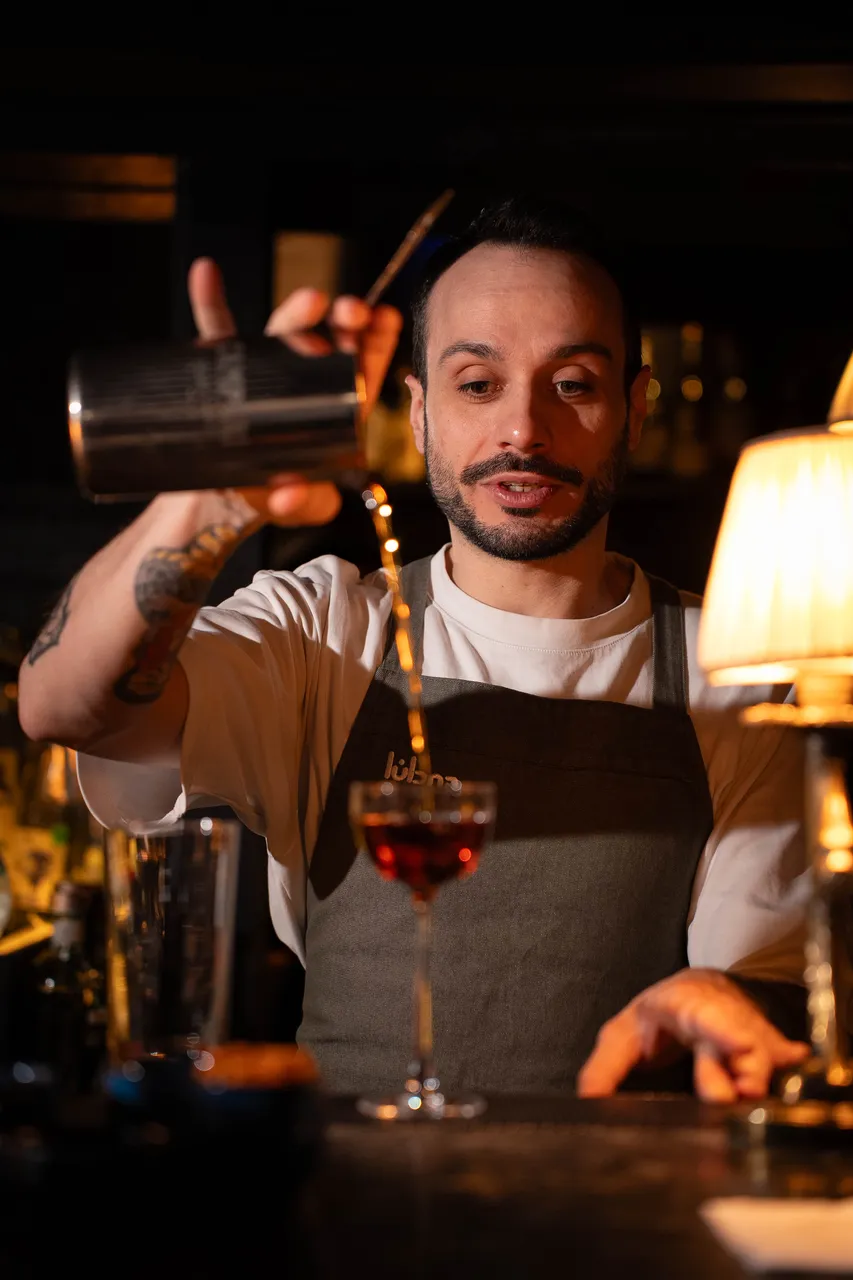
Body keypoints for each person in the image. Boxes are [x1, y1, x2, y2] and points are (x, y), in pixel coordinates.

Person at [18, 197, 812, 1103]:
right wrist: (210, 497)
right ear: (419, 412)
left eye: (572, 384)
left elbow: (762, 982)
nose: (523, 429)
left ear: (632, 412)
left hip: (607, 1183)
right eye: (477, 384)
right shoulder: (323, 628)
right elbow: (64, 705)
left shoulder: (736, 665)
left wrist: (727, 1001)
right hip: (345, 1185)